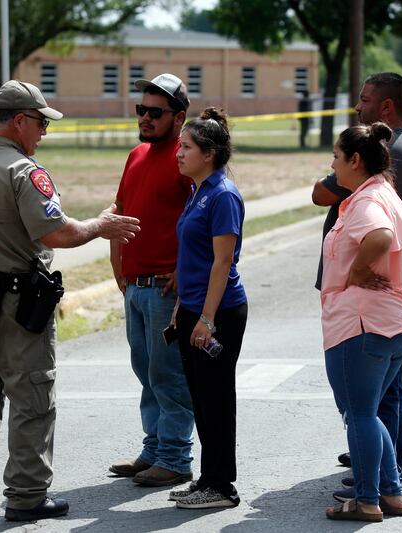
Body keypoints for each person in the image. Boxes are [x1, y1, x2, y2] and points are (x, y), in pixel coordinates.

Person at [0, 80, 140, 522]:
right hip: (17, 304)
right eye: (41, 121)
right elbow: (57, 233)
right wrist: (100, 225)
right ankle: (27, 497)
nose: (44, 131)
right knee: (31, 398)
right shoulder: (25, 172)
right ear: (19, 121)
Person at [317, 73, 402, 487]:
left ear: (355, 161)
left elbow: (379, 235)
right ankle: (390, 489)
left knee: (360, 414)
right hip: (392, 323)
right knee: (371, 411)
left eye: (336, 157)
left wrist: (358, 271)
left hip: (366, 326)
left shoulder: (368, 199)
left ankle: (367, 497)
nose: (332, 164)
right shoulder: (380, 189)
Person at [108, 73, 196, 487]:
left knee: (169, 375)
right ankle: (154, 449)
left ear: (178, 118)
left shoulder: (188, 156)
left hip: (165, 290)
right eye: (141, 109)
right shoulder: (136, 154)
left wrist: (184, 269)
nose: (144, 117)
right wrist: (117, 264)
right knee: (145, 372)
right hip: (135, 286)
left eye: (154, 112)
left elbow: (208, 217)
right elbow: (120, 208)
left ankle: (176, 457)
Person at [170, 107, 248, 509]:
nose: (178, 154)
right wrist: (182, 306)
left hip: (218, 312)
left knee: (217, 399)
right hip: (194, 309)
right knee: (201, 398)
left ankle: (222, 486)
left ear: (209, 154)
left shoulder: (223, 195)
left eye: (186, 147)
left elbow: (222, 262)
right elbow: (194, 258)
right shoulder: (199, 190)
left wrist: (205, 319)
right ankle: (207, 478)